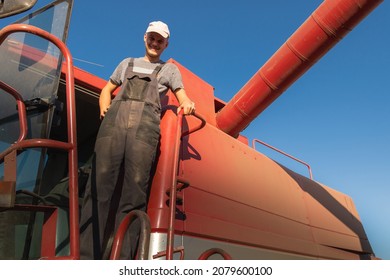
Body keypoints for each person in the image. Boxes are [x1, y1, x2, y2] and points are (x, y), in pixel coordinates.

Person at [79, 21, 195, 260]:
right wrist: (104, 109)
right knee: (98, 189)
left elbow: (182, 96)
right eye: (152, 38)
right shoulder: (127, 63)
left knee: (134, 194)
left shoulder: (169, 70)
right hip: (113, 127)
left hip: (144, 133)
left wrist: (187, 103)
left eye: (160, 40)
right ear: (145, 38)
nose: (155, 43)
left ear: (166, 44)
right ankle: (86, 257)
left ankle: (123, 261)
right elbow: (106, 90)